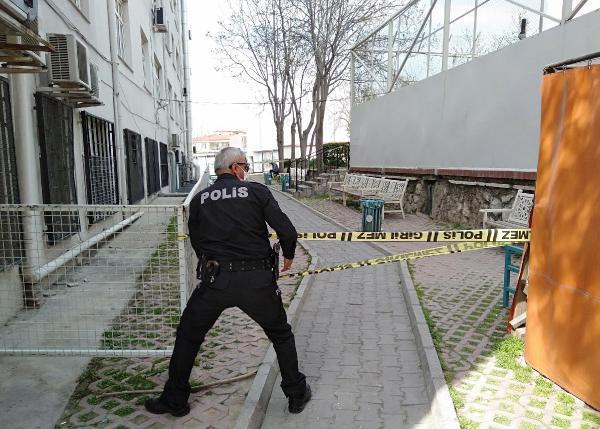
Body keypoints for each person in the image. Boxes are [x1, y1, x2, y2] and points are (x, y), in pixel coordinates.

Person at [145, 147, 311, 417]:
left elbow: (197, 242)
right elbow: (287, 231)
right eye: (245, 165)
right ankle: (296, 394)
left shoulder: (199, 200)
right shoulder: (257, 192)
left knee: (188, 335)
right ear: (235, 167)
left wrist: (212, 266)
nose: (246, 170)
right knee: (280, 334)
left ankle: (175, 399)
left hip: (216, 282)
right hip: (257, 282)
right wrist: (289, 256)